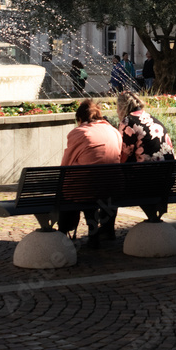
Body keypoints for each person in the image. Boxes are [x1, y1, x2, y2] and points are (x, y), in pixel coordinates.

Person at [58, 99, 122, 247]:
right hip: (114, 189)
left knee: (82, 186)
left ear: (80, 119)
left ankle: (62, 232)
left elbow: (65, 165)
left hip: (87, 190)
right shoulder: (114, 131)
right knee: (97, 184)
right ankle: (100, 232)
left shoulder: (79, 133)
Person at [117, 91, 175, 163]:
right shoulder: (149, 118)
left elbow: (124, 153)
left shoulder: (127, 121)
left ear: (121, 107)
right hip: (168, 168)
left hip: (148, 171)